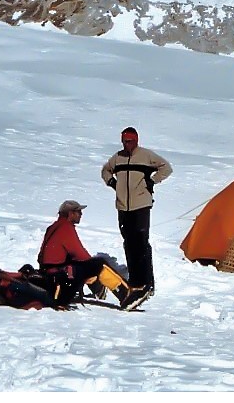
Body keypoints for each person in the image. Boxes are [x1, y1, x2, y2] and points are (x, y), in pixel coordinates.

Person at [37, 200, 150, 311]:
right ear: (71, 214)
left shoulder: (53, 227)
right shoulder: (65, 228)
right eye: (79, 212)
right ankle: (126, 295)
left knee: (89, 265)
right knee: (98, 264)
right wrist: (93, 266)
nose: (81, 215)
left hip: (50, 274)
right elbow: (81, 255)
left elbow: (42, 257)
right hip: (59, 276)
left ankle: (99, 292)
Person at [102, 127, 172, 298]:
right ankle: (134, 281)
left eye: (131, 141)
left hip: (141, 205)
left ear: (137, 140)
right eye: (125, 141)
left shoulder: (146, 155)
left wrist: (151, 181)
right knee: (129, 243)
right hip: (123, 207)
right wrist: (112, 182)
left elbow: (166, 168)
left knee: (142, 244)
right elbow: (105, 170)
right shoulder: (117, 157)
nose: (128, 144)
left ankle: (148, 283)